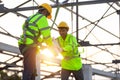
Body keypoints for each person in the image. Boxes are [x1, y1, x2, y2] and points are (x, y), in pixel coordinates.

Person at [18, 3, 53, 80]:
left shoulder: (30, 18)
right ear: (45, 12)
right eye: (47, 15)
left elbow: (30, 33)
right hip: (29, 47)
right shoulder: (42, 18)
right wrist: (51, 46)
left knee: (32, 69)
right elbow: (46, 35)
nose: (46, 17)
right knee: (29, 69)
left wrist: (40, 41)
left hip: (23, 46)